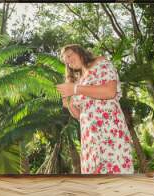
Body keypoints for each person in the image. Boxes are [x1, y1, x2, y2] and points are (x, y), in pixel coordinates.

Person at [56, 44, 134, 174]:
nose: (68, 61)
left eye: (69, 56)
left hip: (109, 129)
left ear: (79, 51)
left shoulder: (100, 62)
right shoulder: (79, 80)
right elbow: (79, 115)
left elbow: (110, 92)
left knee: (116, 175)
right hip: (89, 136)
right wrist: (68, 103)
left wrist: (75, 89)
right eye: (66, 61)